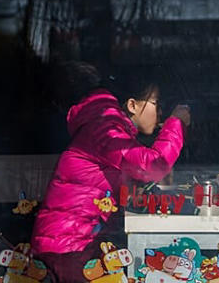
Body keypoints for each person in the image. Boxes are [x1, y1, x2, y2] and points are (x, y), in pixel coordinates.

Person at [31, 64, 191, 283]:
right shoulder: (105, 130)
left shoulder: (108, 125)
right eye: (156, 103)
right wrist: (176, 123)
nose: (160, 112)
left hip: (78, 244)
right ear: (133, 105)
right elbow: (153, 165)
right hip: (70, 247)